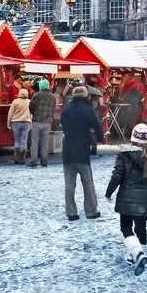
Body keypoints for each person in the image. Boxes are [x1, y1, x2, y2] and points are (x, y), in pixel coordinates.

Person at [105, 123, 147, 276]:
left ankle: (137, 253)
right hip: (145, 197)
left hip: (126, 197)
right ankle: (139, 252)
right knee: (141, 228)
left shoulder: (124, 154)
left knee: (126, 228)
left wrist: (109, 192)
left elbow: (117, 175)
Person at [61, 86, 104, 222]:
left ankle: (71, 211)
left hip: (68, 149)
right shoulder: (88, 110)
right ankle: (91, 211)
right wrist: (99, 138)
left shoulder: (66, 110)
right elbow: (97, 126)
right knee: (87, 182)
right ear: (86, 96)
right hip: (82, 150)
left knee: (69, 184)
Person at [28, 79, 57, 168]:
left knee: (35, 142)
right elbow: (53, 110)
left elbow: (31, 106)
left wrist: (34, 113)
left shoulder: (37, 95)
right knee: (45, 143)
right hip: (47, 122)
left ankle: (33, 161)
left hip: (36, 121)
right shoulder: (53, 97)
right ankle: (44, 161)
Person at [7, 88, 32, 164]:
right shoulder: (29, 102)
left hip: (15, 122)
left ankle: (17, 158)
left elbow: (10, 113)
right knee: (24, 140)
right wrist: (31, 123)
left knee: (17, 140)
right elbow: (31, 113)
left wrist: (8, 123)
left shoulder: (15, 102)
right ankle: (22, 158)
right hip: (26, 122)